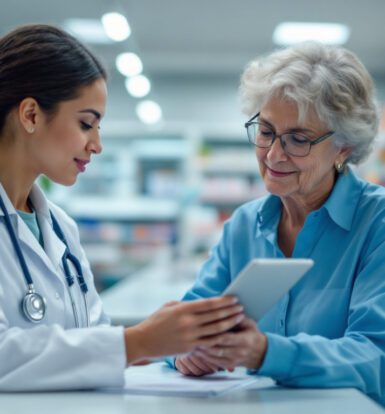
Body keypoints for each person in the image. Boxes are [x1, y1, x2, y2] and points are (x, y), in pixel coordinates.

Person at [0, 24, 245, 391]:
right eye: (86, 124)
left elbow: (91, 338)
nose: (96, 145)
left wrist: (172, 345)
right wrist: (136, 342)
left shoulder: (61, 229)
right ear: (31, 115)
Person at [172, 42, 385, 405]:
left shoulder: (375, 224)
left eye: (298, 139)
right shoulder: (243, 225)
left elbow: (374, 358)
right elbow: (188, 318)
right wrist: (184, 353)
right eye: (266, 131)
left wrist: (265, 353)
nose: (273, 154)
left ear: (344, 147)